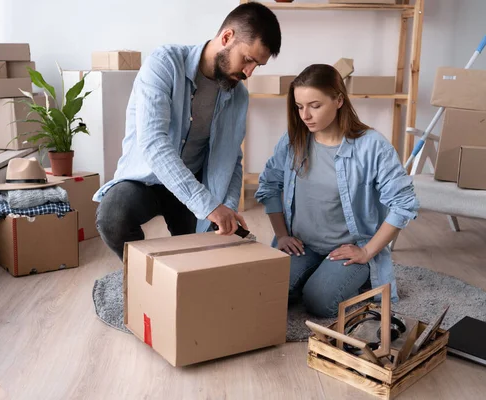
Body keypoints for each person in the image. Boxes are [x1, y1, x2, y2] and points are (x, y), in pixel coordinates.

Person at [93, 3, 282, 260]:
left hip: (194, 181)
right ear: (227, 37)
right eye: (248, 59)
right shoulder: (164, 64)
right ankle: (140, 274)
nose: (249, 72)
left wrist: (225, 207)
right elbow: (153, 142)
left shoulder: (237, 95)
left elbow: (231, 159)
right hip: (144, 180)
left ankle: (178, 276)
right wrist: (209, 206)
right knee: (112, 217)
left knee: (200, 258)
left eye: (256, 66)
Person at [255, 64, 420, 318]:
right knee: (264, 290)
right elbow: (269, 185)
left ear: (339, 100)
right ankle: (317, 273)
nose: (305, 115)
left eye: (315, 105)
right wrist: (281, 235)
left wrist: (366, 251)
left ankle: (354, 277)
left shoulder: (372, 146)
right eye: (299, 107)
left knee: (319, 303)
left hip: (348, 247)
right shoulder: (293, 140)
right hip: (302, 244)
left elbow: (403, 203)